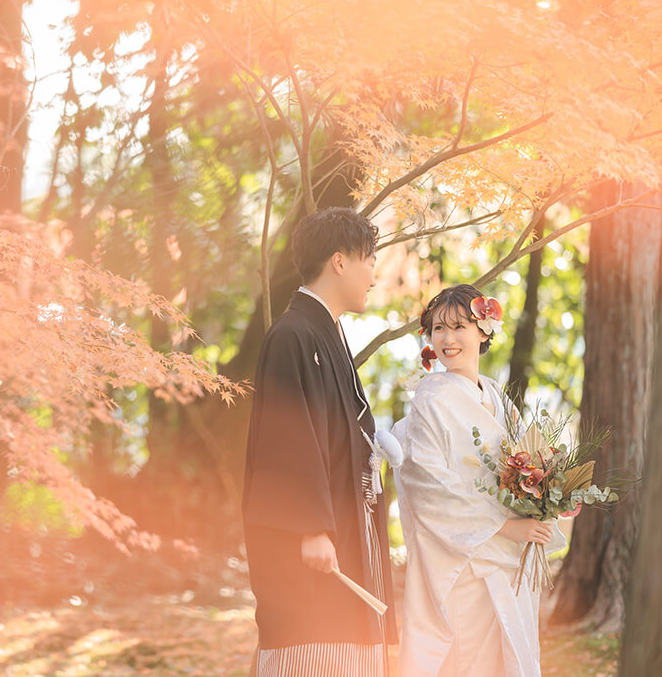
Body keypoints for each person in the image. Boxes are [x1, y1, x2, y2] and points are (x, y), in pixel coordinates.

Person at [242, 207, 397, 676]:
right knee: (315, 648)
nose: (374, 273)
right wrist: (310, 526)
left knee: (350, 646)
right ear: (339, 261)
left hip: (346, 528)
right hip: (314, 539)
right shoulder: (293, 335)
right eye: (369, 259)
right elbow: (287, 436)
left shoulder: (326, 331)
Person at [392, 284, 564, 677]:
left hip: (508, 560)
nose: (447, 339)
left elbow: (528, 462)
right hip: (464, 560)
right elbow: (427, 486)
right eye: (438, 328)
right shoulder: (430, 400)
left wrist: (544, 496)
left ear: (484, 331)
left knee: (511, 657)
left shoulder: (499, 398)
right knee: (468, 662)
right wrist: (506, 525)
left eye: (458, 326)